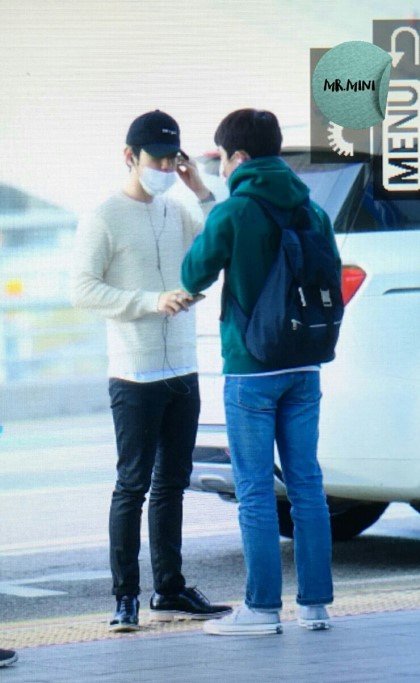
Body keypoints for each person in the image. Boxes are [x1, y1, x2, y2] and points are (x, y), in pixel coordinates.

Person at [71, 109, 231, 631]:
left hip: (182, 368)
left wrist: (199, 188)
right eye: (156, 159)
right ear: (129, 157)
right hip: (134, 374)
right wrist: (150, 301)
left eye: (171, 159)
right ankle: (125, 597)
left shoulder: (177, 210)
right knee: (132, 485)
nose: (164, 168)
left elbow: (219, 239)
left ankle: (169, 588)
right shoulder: (104, 217)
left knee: (171, 485)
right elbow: (83, 289)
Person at [182, 108, 338, 636]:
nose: (224, 169)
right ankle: (315, 606)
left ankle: (263, 609)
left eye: (225, 160)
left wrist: (210, 208)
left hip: (251, 369)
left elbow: (194, 272)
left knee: (254, 490)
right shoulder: (312, 210)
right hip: (305, 363)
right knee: (307, 485)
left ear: (240, 157)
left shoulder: (236, 210)